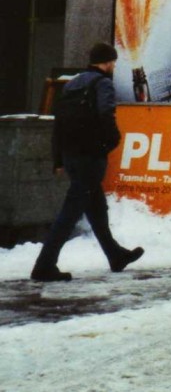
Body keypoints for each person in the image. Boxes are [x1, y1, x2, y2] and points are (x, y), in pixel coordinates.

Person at [30, 42, 144, 282]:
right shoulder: (103, 83)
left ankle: (115, 255)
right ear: (106, 62)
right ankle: (44, 265)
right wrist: (109, 143)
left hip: (71, 156)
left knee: (96, 207)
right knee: (69, 213)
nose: (114, 66)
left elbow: (58, 123)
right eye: (113, 62)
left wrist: (59, 158)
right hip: (90, 157)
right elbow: (106, 114)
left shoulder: (72, 83)